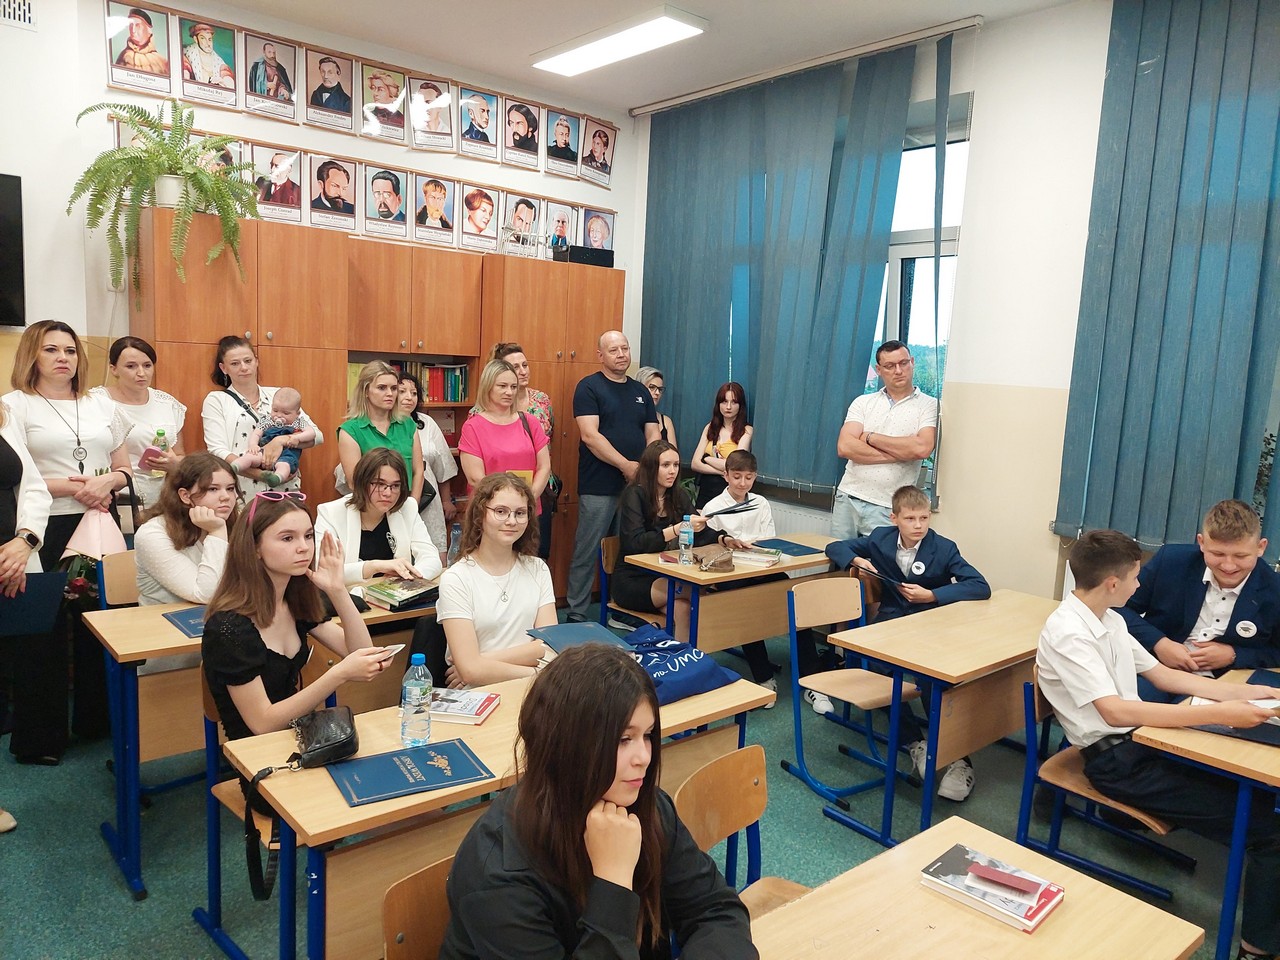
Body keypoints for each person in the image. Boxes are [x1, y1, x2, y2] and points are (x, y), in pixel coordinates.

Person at [1037, 529, 1280, 960]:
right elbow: (1115, 712)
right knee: (1271, 833)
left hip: (1142, 744)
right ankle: (1255, 950)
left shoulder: (1109, 619)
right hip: (1117, 763)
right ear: (1114, 582)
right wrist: (1220, 714)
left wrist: (1246, 694)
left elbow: (1164, 676)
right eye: (1135, 577)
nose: (1138, 586)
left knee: (1263, 796)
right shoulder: (1070, 633)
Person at [440, 643, 756, 959]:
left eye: (647, 735)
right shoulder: (498, 876)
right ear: (567, 745)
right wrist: (613, 880)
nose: (644, 757)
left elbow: (716, 910)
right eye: (624, 739)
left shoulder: (645, 808)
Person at [4, 321, 133, 756]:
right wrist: (76, 487)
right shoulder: (14, 406)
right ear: (32, 355)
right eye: (51, 349)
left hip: (101, 519)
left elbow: (124, 467)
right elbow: (14, 475)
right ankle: (40, 739)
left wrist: (108, 481)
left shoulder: (101, 405)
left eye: (71, 350)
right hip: (44, 527)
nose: (63, 358)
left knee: (104, 624)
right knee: (43, 634)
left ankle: (97, 724)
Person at [826, 484, 991, 799]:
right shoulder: (880, 538)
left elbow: (979, 585)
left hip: (930, 626)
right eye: (910, 519)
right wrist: (858, 561)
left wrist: (933, 595)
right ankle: (916, 742)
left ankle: (957, 757)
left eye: (924, 518)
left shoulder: (944, 548)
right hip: (890, 624)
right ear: (894, 518)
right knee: (877, 670)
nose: (918, 526)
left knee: (932, 681)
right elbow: (836, 547)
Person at [202, 493, 392, 747]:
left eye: (308, 536)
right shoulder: (228, 627)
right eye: (287, 538)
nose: (304, 547)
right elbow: (262, 724)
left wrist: (337, 590)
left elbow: (363, 654)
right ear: (254, 547)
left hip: (299, 740)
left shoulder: (294, 601)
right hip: (256, 754)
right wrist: (338, 673)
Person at [1121, 499, 1280, 702]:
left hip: (1222, 683)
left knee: (1193, 719)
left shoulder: (1274, 589)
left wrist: (1234, 655)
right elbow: (1117, 608)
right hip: (1155, 669)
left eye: (1240, 556)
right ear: (1202, 542)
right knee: (1131, 707)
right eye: (1218, 553)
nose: (1228, 565)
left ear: (1261, 547)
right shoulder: (1171, 562)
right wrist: (1159, 643)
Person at [566, 331, 660, 621]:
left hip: (636, 486)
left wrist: (644, 469)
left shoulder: (640, 391)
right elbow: (590, 436)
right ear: (600, 355)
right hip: (599, 484)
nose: (621, 354)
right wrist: (626, 465)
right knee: (587, 549)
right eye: (613, 350)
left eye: (625, 348)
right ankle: (577, 612)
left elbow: (653, 433)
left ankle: (623, 609)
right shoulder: (589, 387)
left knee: (629, 550)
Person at [436, 474, 555, 689]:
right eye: (500, 511)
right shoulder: (456, 578)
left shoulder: (538, 569)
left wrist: (481, 660)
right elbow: (471, 672)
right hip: (479, 693)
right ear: (480, 514)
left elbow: (549, 646)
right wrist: (537, 676)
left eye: (520, 513)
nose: (511, 521)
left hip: (530, 690)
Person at [614, 441, 718, 645]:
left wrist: (724, 538)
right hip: (631, 579)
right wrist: (676, 529)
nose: (672, 471)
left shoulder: (677, 495)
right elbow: (635, 544)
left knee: (683, 609)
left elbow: (701, 532)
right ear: (652, 468)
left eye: (676, 465)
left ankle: (685, 658)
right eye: (666, 465)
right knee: (698, 590)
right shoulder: (634, 494)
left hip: (662, 574)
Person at [832, 340, 938, 540]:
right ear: (879, 370)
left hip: (889, 506)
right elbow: (845, 447)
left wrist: (869, 437)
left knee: (880, 560)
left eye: (903, 363)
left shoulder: (929, 405)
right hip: (848, 497)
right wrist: (901, 453)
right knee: (839, 556)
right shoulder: (863, 402)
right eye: (889, 366)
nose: (898, 371)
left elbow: (922, 449)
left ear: (912, 362)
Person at [0, 391, 54, 766]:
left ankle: (32, 744)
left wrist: (25, 542)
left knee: (30, 655)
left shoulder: (5, 415)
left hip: (16, 556)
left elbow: (33, 486)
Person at [202, 336, 323, 497]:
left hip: (285, 488)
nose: (244, 367)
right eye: (235, 363)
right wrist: (263, 476)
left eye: (248, 361)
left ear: (256, 361)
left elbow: (318, 436)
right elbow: (217, 450)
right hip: (242, 490)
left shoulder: (279, 395)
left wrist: (281, 441)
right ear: (224, 368)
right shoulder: (216, 400)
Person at [315, 448, 440, 587]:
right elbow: (326, 572)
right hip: (349, 596)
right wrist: (375, 566)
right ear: (362, 482)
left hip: (396, 593)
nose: (388, 493)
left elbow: (432, 558)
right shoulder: (330, 513)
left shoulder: (407, 507)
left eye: (395, 486)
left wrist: (407, 578)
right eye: (380, 484)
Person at [88, 336, 186, 510]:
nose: (141, 373)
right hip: (119, 496)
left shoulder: (168, 404)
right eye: (131, 366)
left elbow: (180, 453)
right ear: (114, 369)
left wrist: (175, 464)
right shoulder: (96, 402)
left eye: (147, 365)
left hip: (164, 497)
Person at [134, 452, 238, 607]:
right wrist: (217, 532)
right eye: (213, 489)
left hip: (224, 614)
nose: (226, 497)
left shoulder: (237, 522)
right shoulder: (152, 534)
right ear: (185, 496)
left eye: (230, 488)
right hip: (162, 618)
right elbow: (207, 595)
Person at [458, 360, 551, 520]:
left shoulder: (530, 422)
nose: (509, 392)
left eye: (513, 387)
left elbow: (544, 467)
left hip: (527, 510)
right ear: (488, 387)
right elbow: (475, 478)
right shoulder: (472, 427)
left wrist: (527, 499)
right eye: (502, 386)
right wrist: (507, 506)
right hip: (490, 512)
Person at [490, 343, 555, 559]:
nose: (522, 371)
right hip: (501, 494)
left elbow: (549, 440)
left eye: (525, 365)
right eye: (515, 367)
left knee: (536, 552)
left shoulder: (542, 401)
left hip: (538, 489)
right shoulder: (482, 412)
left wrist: (531, 495)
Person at [338, 361, 424, 505]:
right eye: (382, 388)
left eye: (394, 388)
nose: (390, 394)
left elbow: (418, 471)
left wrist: (412, 506)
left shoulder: (407, 424)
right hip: (369, 506)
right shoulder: (350, 430)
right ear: (366, 391)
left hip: (405, 504)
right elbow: (354, 482)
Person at [396, 372, 457, 565]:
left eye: (414, 393)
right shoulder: (381, 424)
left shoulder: (426, 423)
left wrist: (446, 500)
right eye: (402, 391)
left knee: (434, 560)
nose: (409, 397)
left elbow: (443, 465)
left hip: (429, 500)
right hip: (395, 500)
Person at [230, 386, 314, 486]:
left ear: (297, 413)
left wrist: (296, 438)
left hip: (287, 454)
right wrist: (253, 445)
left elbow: (311, 433)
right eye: (275, 410)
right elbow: (257, 433)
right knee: (252, 456)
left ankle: (277, 478)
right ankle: (236, 466)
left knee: (284, 465)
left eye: (286, 413)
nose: (279, 415)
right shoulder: (268, 420)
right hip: (265, 451)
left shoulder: (299, 422)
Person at [691, 381, 752, 509]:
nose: (728, 407)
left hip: (729, 492)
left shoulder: (746, 431)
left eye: (733, 402)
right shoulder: (710, 428)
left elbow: (736, 465)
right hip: (706, 490)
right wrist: (724, 472)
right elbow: (695, 464)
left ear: (740, 405)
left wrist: (707, 459)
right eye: (724, 402)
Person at [114, 8, 168, 75]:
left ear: (148, 29)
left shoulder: (161, 62)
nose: (133, 30)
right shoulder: (124, 56)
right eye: (131, 25)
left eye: (137, 25)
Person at [181, 22, 233, 88]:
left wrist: (224, 82)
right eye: (203, 38)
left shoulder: (219, 62)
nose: (208, 43)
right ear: (196, 39)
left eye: (209, 39)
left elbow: (227, 77)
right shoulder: (187, 55)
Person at [635, 367, 677, 449]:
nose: (657, 393)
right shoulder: (628, 416)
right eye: (652, 387)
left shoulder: (666, 421)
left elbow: (673, 453)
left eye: (660, 389)